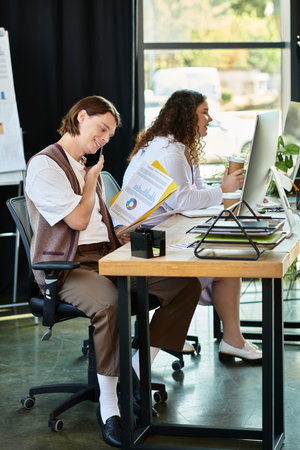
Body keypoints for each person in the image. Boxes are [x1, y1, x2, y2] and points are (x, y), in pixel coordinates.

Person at [24, 95, 201, 448]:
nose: (105, 138)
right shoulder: (46, 166)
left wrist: (116, 230)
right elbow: (75, 220)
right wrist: (91, 181)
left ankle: (135, 372)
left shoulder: (88, 166)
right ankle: (110, 408)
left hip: (107, 256)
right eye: (101, 129)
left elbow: (95, 220)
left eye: (110, 134)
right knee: (109, 303)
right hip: (68, 267)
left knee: (184, 285)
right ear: (80, 117)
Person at [123, 89, 262, 363]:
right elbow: (185, 201)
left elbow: (197, 192)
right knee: (215, 268)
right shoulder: (169, 152)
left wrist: (226, 193)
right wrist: (223, 191)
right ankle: (166, 341)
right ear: (188, 116)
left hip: (165, 230)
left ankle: (231, 339)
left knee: (226, 265)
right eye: (204, 113)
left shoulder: (181, 148)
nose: (209, 119)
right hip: (146, 240)